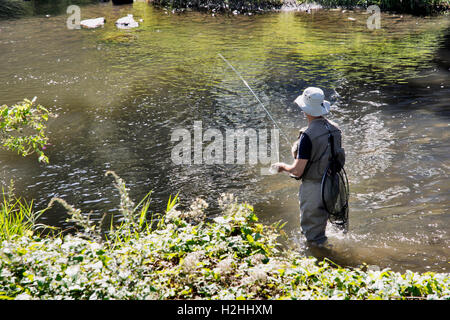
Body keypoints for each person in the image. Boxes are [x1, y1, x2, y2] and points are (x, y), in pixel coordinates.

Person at [273, 87, 345, 247]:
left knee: (312, 239)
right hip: (333, 185)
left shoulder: (307, 135)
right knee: (322, 227)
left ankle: (320, 264)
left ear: (305, 109)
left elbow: (297, 171)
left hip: (315, 189)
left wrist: (282, 166)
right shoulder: (335, 128)